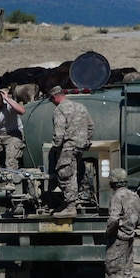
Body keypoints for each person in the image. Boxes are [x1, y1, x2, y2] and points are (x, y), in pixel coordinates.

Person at [99, 167, 140, 278]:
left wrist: (108, 231)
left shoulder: (117, 197)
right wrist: (132, 223)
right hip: (129, 237)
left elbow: (114, 218)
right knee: (127, 270)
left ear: (113, 183)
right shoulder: (134, 196)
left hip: (118, 239)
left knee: (113, 269)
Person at [46, 85, 96, 215]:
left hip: (68, 146)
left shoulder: (59, 110)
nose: (52, 103)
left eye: (51, 100)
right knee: (75, 173)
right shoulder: (80, 106)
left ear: (55, 97)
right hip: (80, 146)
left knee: (65, 173)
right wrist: (85, 141)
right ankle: (69, 203)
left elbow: (59, 133)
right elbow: (91, 126)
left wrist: (56, 147)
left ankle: (70, 207)